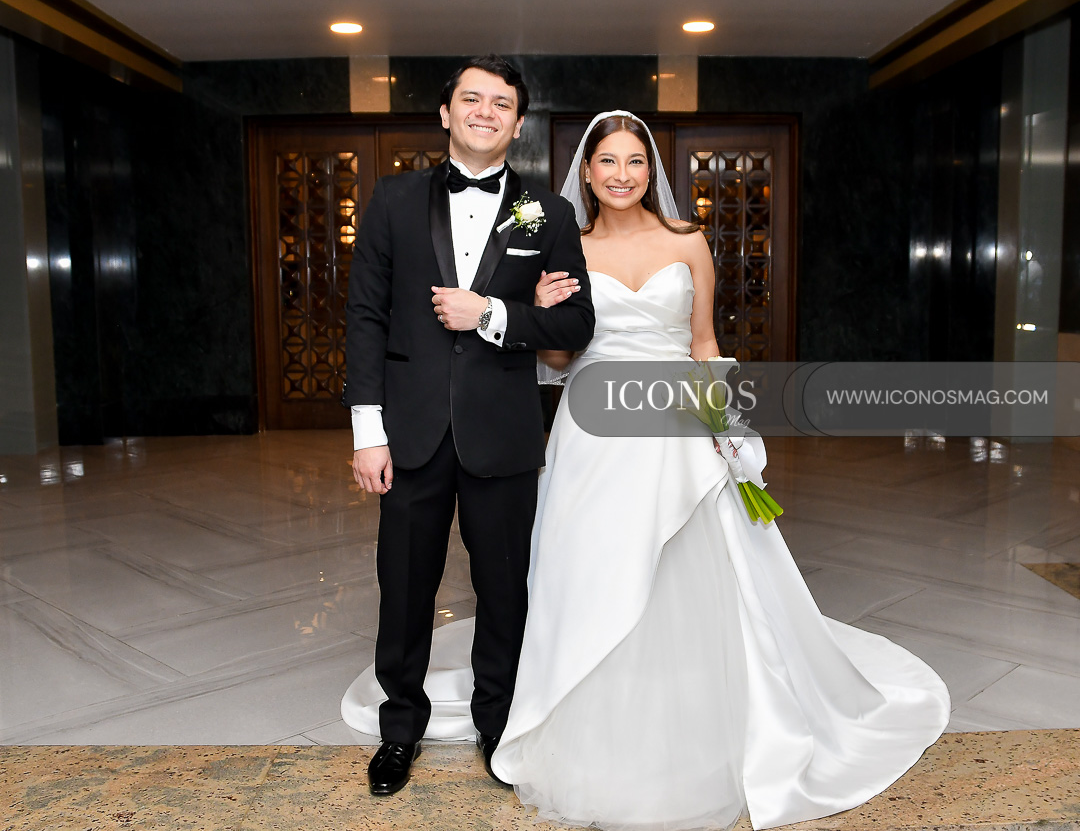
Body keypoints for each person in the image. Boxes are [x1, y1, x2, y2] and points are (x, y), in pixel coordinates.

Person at [343, 110, 950, 830]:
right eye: (608, 162)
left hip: (675, 423)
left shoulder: (688, 241)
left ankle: (692, 716)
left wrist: (725, 426)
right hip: (594, 430)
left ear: (651, 170)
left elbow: (703, 341)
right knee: (591, 570)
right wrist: (534, 308)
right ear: (587, 171)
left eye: (635, 161)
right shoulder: (565, 241)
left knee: (687, 572)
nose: (622, 175)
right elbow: (559, 354)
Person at [343, 54, 594, 798]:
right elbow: (365, 317)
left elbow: (574, 324)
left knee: (504, 588)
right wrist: (367, 430)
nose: (486, 112)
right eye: (472, 99)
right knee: (404, 586)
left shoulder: (549, 214)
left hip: (503, 433)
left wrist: (496, 313)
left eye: (502, 104)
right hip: (409, 431)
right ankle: (399, 729)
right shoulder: (392, 199)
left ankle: (498, 723)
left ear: (518, 124)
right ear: (446, 113)